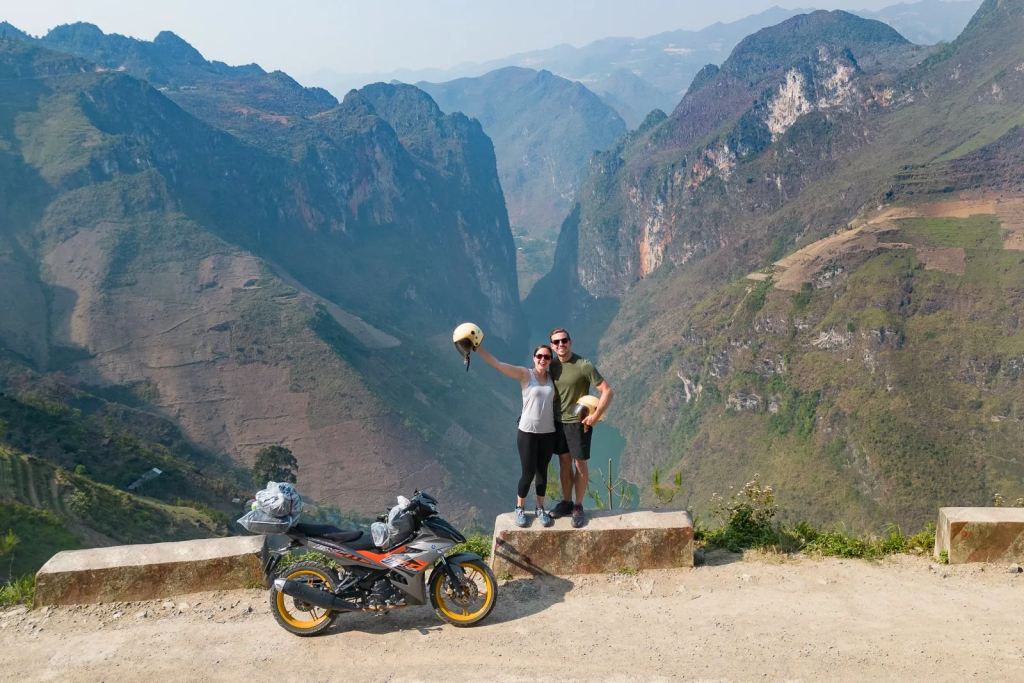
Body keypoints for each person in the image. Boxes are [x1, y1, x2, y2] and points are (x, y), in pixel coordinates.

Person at [474, 344, 557, 528]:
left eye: (547, 357)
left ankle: (540, 508)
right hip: (527, 433)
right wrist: (478, 349)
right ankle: (519, 508)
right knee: (527, 473)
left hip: (548, 433)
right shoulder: (525, 374)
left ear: (551, 360)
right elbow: (497, 364)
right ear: (534, 358)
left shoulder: (553, 378)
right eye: (539, 356)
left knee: (542, 472)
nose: (543, 359)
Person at [548, 328, 613, 528]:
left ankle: (577, 505)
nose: (561, 345)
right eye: (556, 342)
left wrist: (596, 415)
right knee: (564, 462)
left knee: (580, 464)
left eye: (564, 340)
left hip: (578, 423)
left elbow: (607, 391)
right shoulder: (551, 365)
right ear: (552, 345)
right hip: (557, 422)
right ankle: (566, 502)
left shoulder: (583, 365)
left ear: (570, 342)